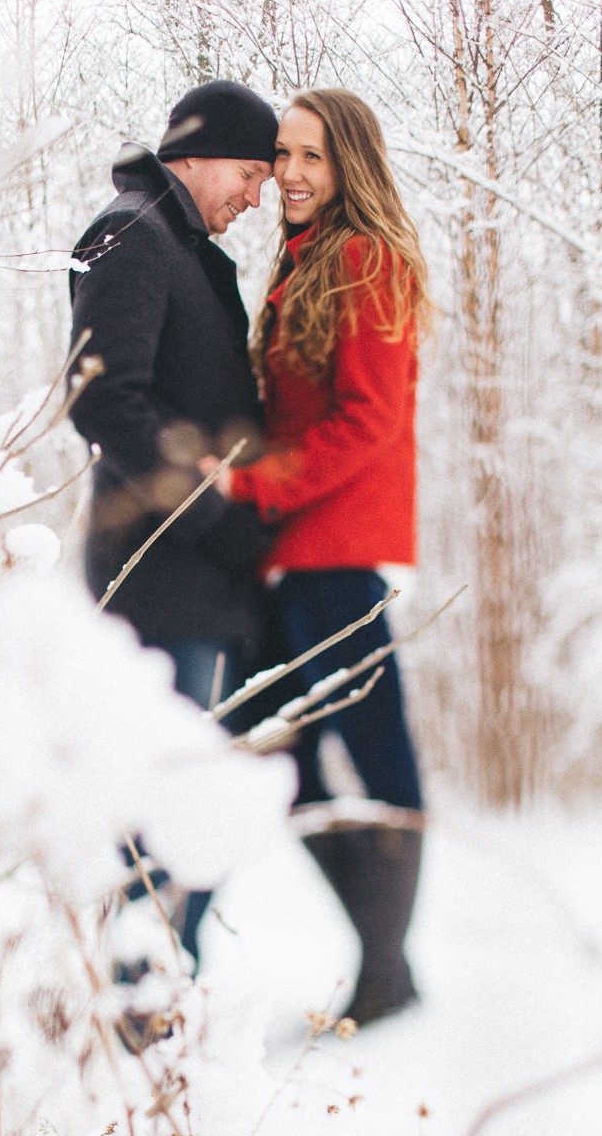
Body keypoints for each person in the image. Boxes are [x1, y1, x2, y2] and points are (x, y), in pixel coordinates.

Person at [212, 87, 436, 1024]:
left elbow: (370, 421)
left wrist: (254, 484)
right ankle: (387, 962)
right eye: (284, 156)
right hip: (288, 555)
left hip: (334, 551)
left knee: (373, 747)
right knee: (266, 745)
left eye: (313, 157)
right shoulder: (303, 262)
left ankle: (387, 968)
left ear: (348, 165)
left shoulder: (366, 259)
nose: (293, 174)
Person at [67, 79, 277, 965]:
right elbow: (104, 400)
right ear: (194, 151)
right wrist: (212, 514)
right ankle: (136, 1011)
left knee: (198, 806)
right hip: (158, 579)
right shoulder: (133, 234)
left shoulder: (175, 241)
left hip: (199, 581)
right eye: (249, 171)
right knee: (162, 809)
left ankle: (160, 1001)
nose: (257, 194)